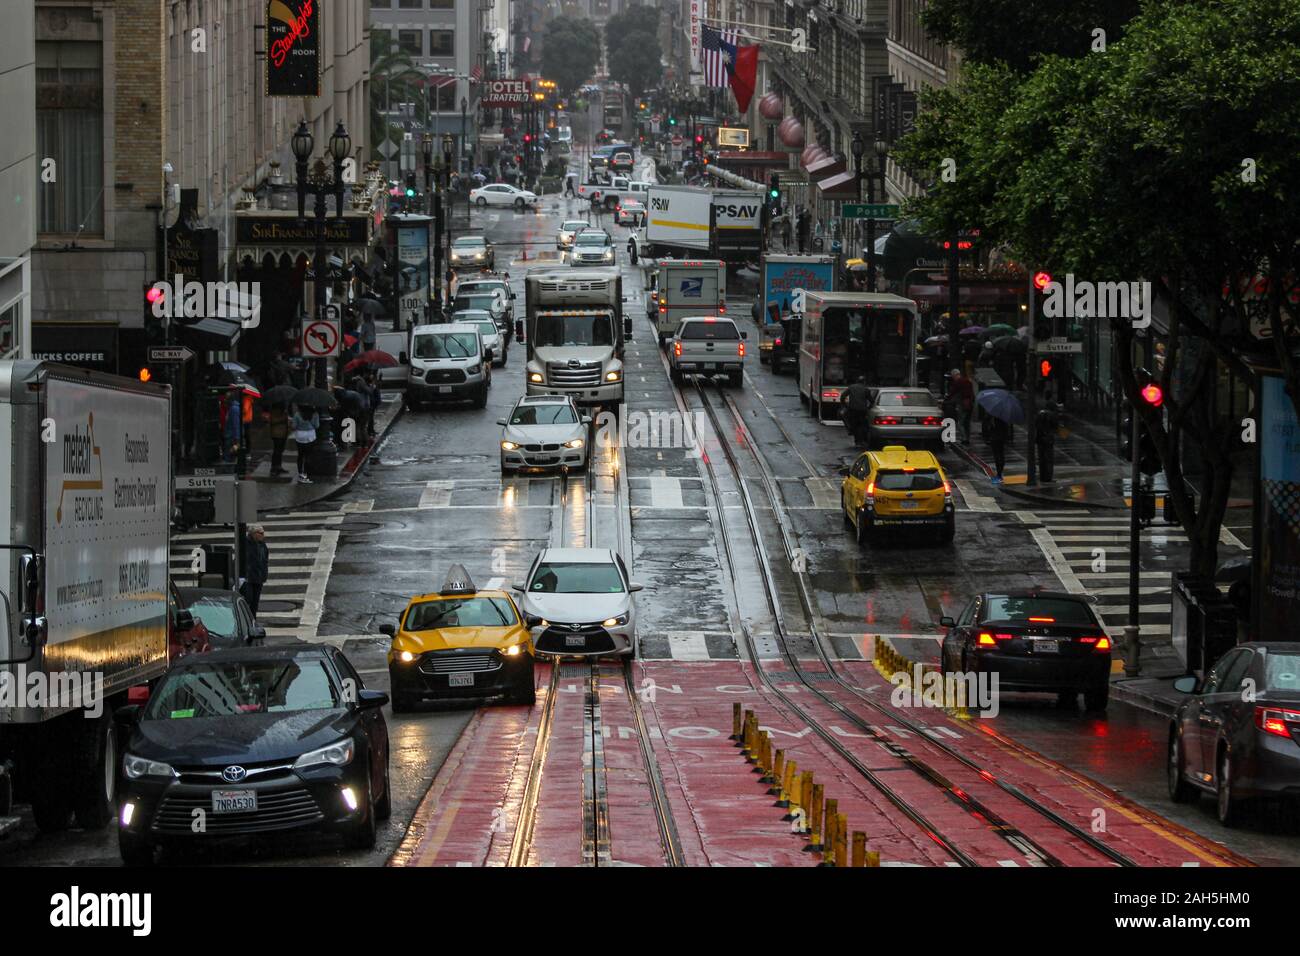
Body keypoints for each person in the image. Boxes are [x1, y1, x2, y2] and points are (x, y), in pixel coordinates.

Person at [241, 525, 269, 619]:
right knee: (248, 600)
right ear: (253, 534)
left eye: (263, 533)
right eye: (260, 533)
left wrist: (264, 575)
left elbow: (265, 560)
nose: (263, 535)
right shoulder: (246, 544)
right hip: (249, 578)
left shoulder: (262, 545)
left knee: (255, 603)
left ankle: (253, 620)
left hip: (259, 578)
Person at [840, 376, 872, 445]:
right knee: (863, 424)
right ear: (864, 382)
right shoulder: (866, 389)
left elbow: (842, 396)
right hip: (863, 410)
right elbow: (871, 400)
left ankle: (852, 433)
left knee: (852, 423)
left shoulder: (851, 387)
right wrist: (868, 408)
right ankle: (862, 439)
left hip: (853, 410)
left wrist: (845, 405)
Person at [291, 405, 318, 484]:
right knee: (308, 456)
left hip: (300, 436)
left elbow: (294, 426)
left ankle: (300, 473)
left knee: (300, 455)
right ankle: (306, 474)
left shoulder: (297, 414)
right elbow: (317, 426)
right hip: (310, 435)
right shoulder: (315, 414)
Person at [948, 368, 975, 444]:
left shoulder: (958, 382)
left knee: (960, 423)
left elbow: (952, 393)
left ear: (955, 375)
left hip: (963, 405)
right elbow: (972, 394)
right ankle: (968, 438)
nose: (953, 378)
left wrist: (946, 399)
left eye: (953, 376)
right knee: (967, 422)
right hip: (970, 404)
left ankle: (964, 439)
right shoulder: (968, 381)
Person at [1036, 402, 1061, 482]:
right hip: (1048, 439)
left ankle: (1042, 477)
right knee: (1049, 459)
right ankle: (1048, 477)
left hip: (1040, 439)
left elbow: (1036, 425)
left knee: (1042, 459)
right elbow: (1056, 427)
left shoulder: (1039, 414)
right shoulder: (1052, 415)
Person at [268, 402, 289, 477]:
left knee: (280, 451)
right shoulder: (274, 412)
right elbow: (272, 421)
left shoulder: (284, 412)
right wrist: (283, 418)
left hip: (283, 433)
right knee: (277, 451)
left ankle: (278, 466)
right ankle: (274, 467)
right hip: (277, 434)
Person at [988, 414, 1010, 482]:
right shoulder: (1004, 417)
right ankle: (999, 473)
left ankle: (999, 474)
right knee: (1001, 455)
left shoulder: (993, 418)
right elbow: (1006, 428)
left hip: (995, 438)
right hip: (1001, 438)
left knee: (997, 456)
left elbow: (990, 429)